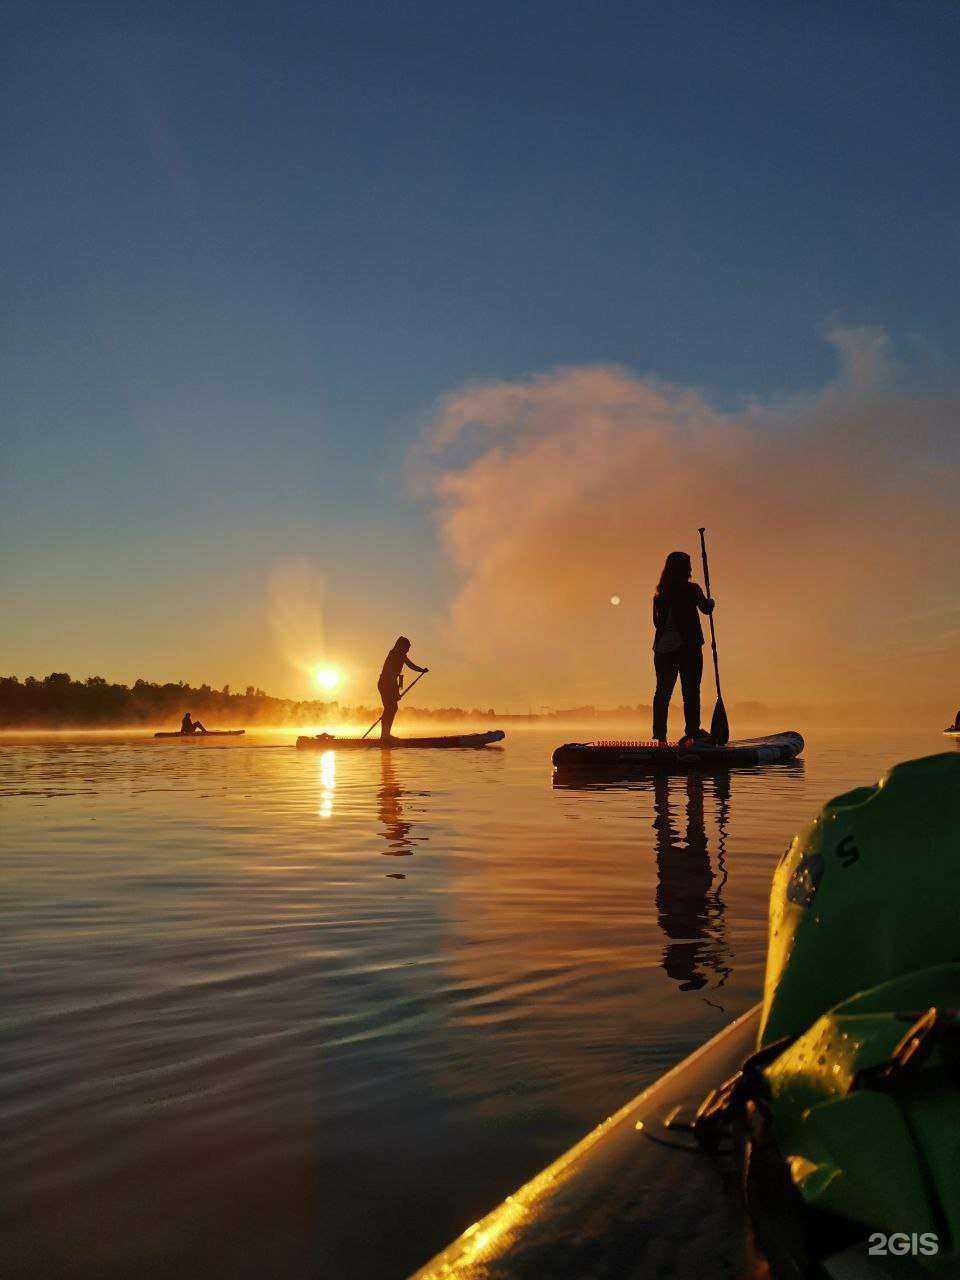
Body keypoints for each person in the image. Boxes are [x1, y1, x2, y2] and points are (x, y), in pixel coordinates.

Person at [652, 551, 714, 745]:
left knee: (663, 692)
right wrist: (711, 602)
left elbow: (657, 624)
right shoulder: (692, 590)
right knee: (691, 691)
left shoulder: (659, 595)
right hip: (688, 648)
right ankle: (693, 731)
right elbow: (706, 608)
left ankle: (660, 736)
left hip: (663, 649)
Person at [377, 637, 428, 740]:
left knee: (392, 708)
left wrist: (421, 670)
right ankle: (384, 735)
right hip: (384, 684)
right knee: (390, 708)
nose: (408, 650)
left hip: (390, 684)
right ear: (401, 646)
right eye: (407, 647)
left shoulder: (402, 656)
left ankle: (385, 734)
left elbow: (409, 667)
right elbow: (391, 675)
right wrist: (395, 691)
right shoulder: (394, 654)